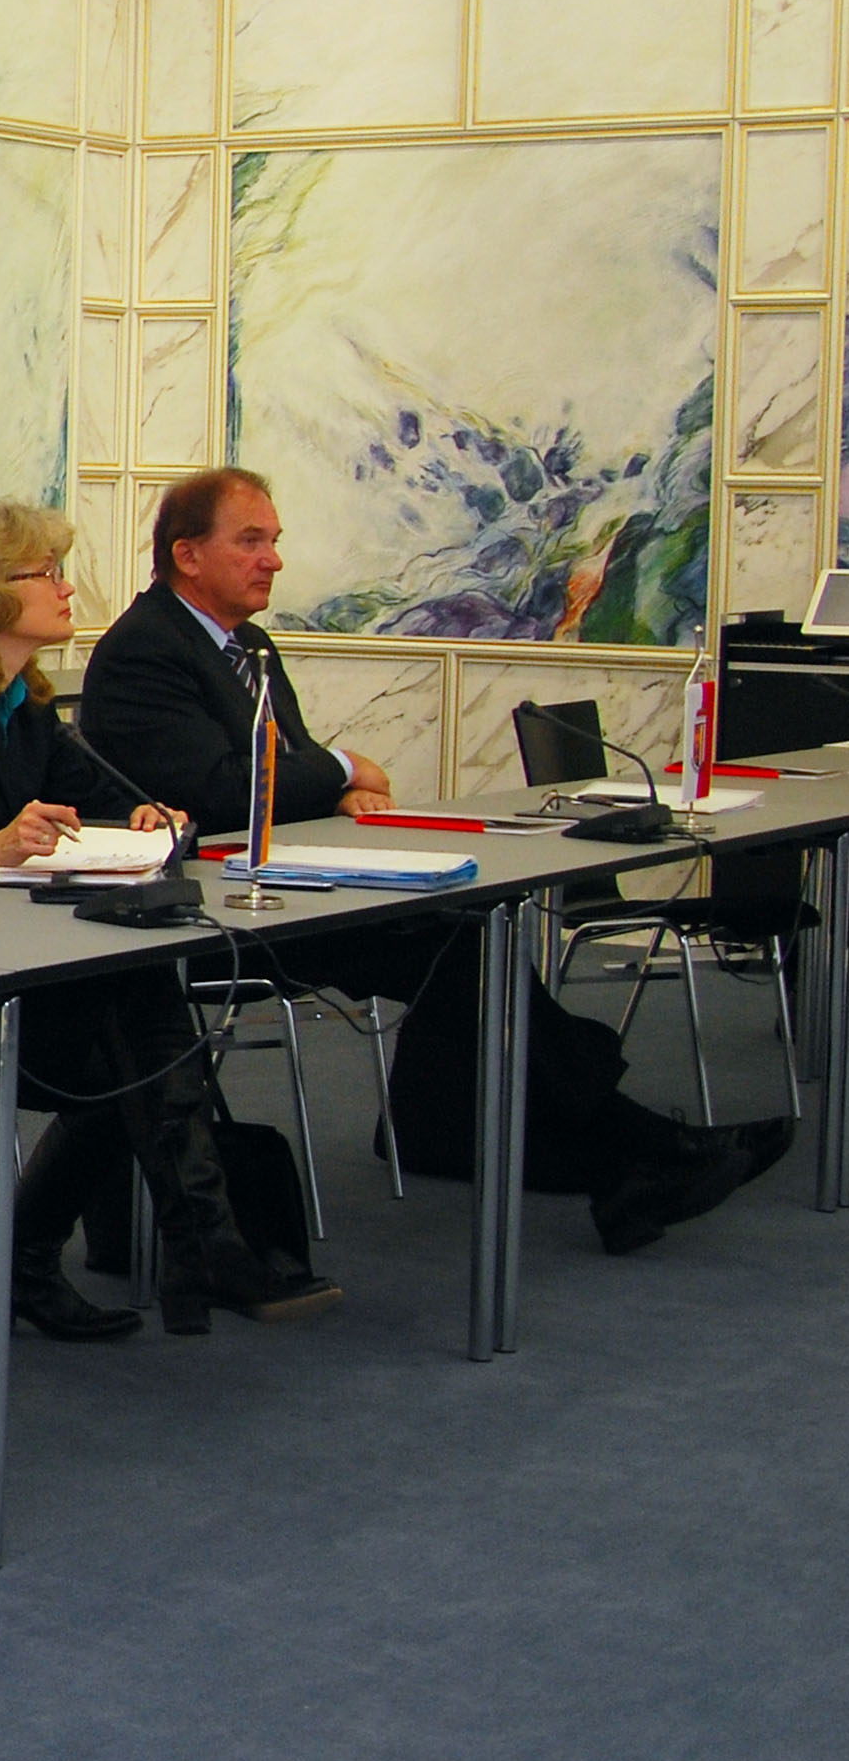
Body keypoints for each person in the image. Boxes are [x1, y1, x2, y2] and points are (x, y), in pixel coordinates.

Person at [78, 467, 785, 1255]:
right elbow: (225, 787)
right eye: (251, 541)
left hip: (287, 887)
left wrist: (333, 787)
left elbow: (282, 769)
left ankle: (577, 1153)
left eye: (273, 540)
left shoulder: (250, 645)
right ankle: (633, 1148)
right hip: (209, 917)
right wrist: (345, 768)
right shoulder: (145, 650)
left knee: (465, 932)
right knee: (458, 950)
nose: (273, 559)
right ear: (187, 554)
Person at [0, 501, 339, 1337]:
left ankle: (149, 1250)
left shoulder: (23, 703)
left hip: (3, 963)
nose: (66, 587)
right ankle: (173, 1250)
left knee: (139, 1020)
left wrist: (149, 819)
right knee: (134, 1044)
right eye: (45, 573)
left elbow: (102, 801)